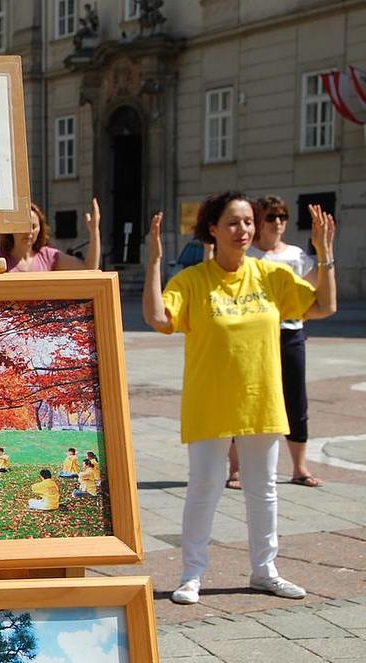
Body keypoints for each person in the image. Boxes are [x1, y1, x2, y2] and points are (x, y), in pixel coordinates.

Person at [143, 191, 336, 606]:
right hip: (210, 401)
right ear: (212, 229)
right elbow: (159, 318)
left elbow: (324, 305)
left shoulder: (270, 276)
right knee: (204, 488)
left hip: (260, 400)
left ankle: (265, 571)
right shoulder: (193, 280)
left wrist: (325, 254)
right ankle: (192, 575)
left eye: (249, 221)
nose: (243, 229)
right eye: (233, 222)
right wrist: (155, 261)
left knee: (263, 489)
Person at [226, 195, 322, 489]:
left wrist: (323, 249)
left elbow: (314, 290)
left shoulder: (295, 254)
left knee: (295, 399)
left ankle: (299, 468)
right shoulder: (249, 256)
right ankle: (236, 469)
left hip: (290, 332)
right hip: (253, 336)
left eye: (283, 217)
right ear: (259, 222)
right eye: (271, 217)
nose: (278, 222)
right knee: (244, 399)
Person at [0, 199, 101, 272]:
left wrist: (94, 230)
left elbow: (89, 268)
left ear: (40, 229)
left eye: (33, 227)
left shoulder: (48, 256)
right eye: (23, 226)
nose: (29, 232)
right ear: (11, 228)